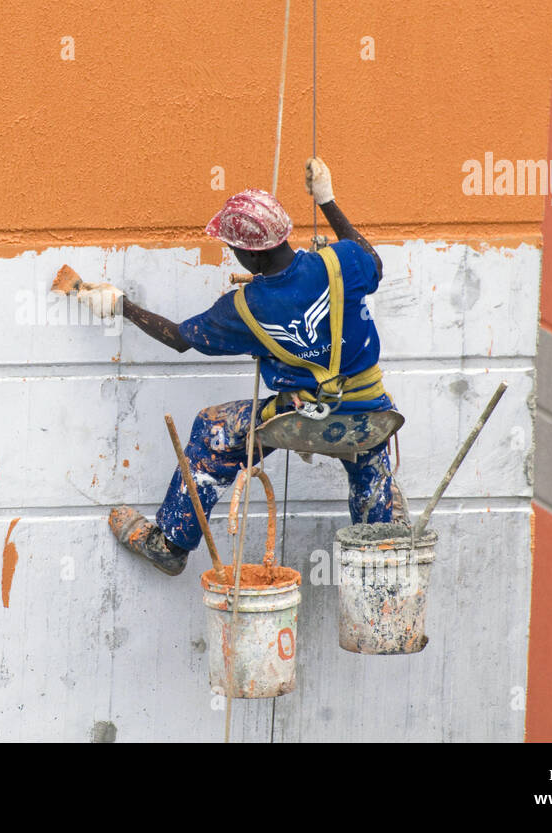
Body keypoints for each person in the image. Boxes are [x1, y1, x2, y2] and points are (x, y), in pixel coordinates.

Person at [82, 158, 406, 576]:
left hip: (299, 419)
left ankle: (170, 542)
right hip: (370, 415)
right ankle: (383, 567)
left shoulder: (242, 309)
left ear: (249, 256)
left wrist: (122, 307)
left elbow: (180, 339)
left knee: (212, 429)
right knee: (370, 468)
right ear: (285, 233)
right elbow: (373, 261)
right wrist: (326, 200)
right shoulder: (341, 261)